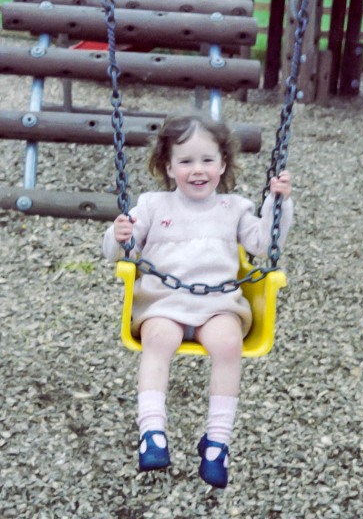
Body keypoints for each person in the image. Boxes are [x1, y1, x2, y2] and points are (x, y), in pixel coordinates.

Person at [102, 113, 294, 488]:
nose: (198, 170)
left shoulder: (234, 208)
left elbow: (263, 244)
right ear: (169, 167)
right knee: (158, 340)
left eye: (207, 160)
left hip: (218, 306)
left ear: (223, 164)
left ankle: (217, 441)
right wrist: (118, 233)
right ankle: (152, 431)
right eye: (186, 161)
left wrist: (278, 204)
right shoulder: (152, 205)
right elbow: (119, 251)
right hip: (163, 303)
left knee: (228, 343)